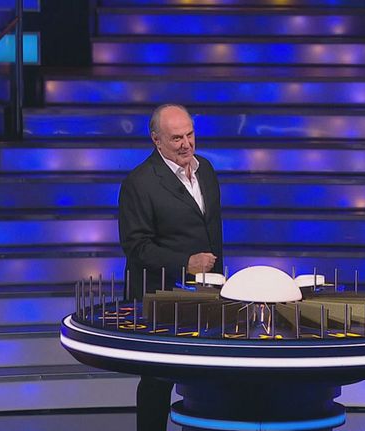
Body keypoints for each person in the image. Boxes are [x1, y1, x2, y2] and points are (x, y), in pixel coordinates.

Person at [118, 104, 223, 431]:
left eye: (190, 135)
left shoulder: (206, 169)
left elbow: (212, 232)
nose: (186, 144)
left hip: (206, 293)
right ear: (156, 140)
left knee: (208, 375)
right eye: (176, 138)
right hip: (159, 297)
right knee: (157, 380)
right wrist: (185, 264)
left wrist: (220, 283)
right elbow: (136, 246)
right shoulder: (139, 182)